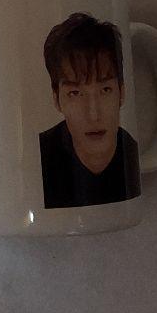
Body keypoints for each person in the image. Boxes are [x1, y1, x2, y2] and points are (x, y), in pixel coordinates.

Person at [38, 13, 140, 209]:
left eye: (105, 90)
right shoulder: (39, 159)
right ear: (57, 99)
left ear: (122, 93)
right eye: (75, 93)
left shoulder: (132, 154)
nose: (93, 114)